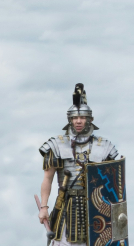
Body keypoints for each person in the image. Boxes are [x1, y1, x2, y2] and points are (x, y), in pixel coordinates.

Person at [38, 84, 120, 245]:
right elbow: (47, 178)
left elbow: (116, 183)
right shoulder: (57, 145)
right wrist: (44, 207)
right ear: (70, 120)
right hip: (66, 205)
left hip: (97, 206)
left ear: (90, 119)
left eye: (82, 118)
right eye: (75, 118)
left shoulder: (104, 146)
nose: (78, 121)